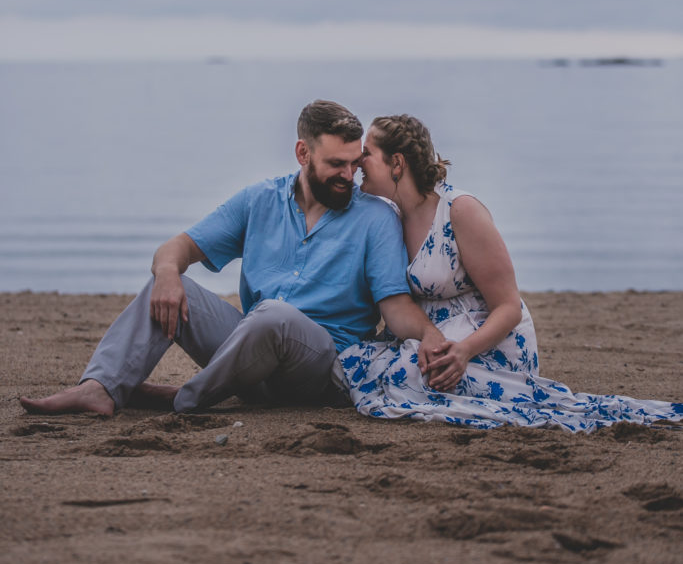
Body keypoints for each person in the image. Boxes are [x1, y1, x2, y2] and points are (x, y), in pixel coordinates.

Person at [20, 101, 452, 418]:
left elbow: (394, 306)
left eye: (354, 165)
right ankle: (99, 387)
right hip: (247, 354)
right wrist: (169, 273)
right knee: (169, 286)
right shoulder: (259, 200)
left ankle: (183, 399)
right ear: (303, 154)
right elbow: (175, 248)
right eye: (335, 164)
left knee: (272, 315)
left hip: (320, 364)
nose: (348, 176)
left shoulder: (375, 218)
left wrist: (429, 335)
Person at [334, 114, 683, 431]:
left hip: (487, 340)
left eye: (367, 153)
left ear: (397, 163)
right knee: (357, 363)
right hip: (434, 336)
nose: (358, 162)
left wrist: (464, 351)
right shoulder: (389, 215)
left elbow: (509, 307)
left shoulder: (460, 211)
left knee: (404, 374)